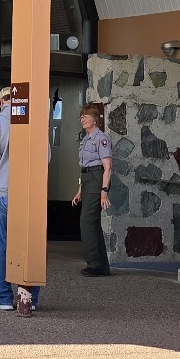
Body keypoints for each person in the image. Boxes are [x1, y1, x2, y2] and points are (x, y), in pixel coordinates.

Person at [0, 86, 42, 316]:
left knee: (1, 245)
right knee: (30, 244)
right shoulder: (35, 124)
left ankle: (4, 297)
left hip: (5, 191)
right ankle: (30, 297)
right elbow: (45, 158)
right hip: (32, 194)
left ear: (2, 101)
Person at [70, 103, 112, 277]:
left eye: (86, 116)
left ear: (95, 119)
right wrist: (80, 191)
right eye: (81, 117)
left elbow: (107, 167)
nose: (83, 119)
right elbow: (84, 168)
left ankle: (94, 264)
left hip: (96, 179)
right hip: (88, 179)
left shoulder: (100, 138)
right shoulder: (86, 139)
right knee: (93, 224)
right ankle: (101, 266)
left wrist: (104, 191)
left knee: (87, 222)